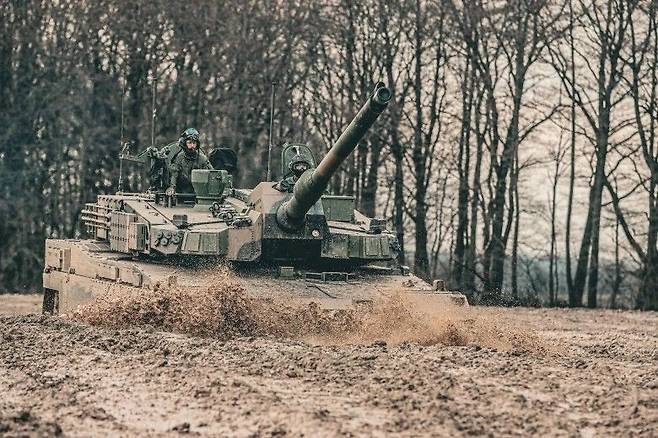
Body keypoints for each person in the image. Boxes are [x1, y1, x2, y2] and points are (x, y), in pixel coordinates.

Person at [165, 128, 213, 195]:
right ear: (185, 143)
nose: (192, 146)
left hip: (199, 193)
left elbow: (212, 174)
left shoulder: (202, 158)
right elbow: (174, 174)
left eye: (194, 143)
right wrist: (172, 187)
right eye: (189, 143)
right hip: (181, 192)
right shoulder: (180, 157)